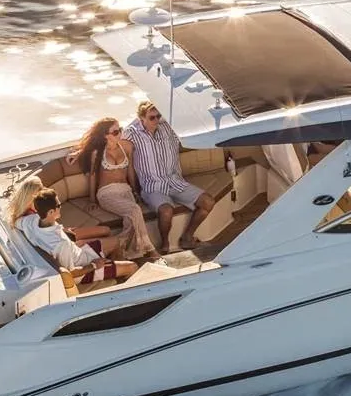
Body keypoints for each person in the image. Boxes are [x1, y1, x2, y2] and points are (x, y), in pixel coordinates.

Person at [123, 100, 215, 253]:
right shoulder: (131, 134)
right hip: (153, 186)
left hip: (175, 181)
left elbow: (187, 116)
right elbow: (116, 148)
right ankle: (165, 244)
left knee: (208, 202)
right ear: (141, 119)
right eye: (152, 118)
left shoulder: (167, 127)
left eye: (158, 116)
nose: (156, 120)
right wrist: (134, 190)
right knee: (166, 211)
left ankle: (187, 238)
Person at [70, 116, 157, 260]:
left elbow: (130, 171)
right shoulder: (97, 153)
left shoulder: (127, 147)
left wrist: (135, 191)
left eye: (120, 130)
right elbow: (93, 176)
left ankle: (117, 250)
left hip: (125, 190)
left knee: (131, 220)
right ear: (106, 135)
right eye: (115, 132)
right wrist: (92, 200)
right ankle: (150, 249)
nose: (120, 133)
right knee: (135, 210)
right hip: (107, 193)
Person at [15, 188, 137, 284]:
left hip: (79, 252)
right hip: (84, 270)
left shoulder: (29, 221)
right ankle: (117, 277)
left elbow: (14, 222)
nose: (60, 207)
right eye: (58, 206)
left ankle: (114, 270)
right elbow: (71, 273)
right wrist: (95, 265)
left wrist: (65, 233)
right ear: (51, 212)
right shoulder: (61, 244)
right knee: (133, 266)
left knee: (116, 242)